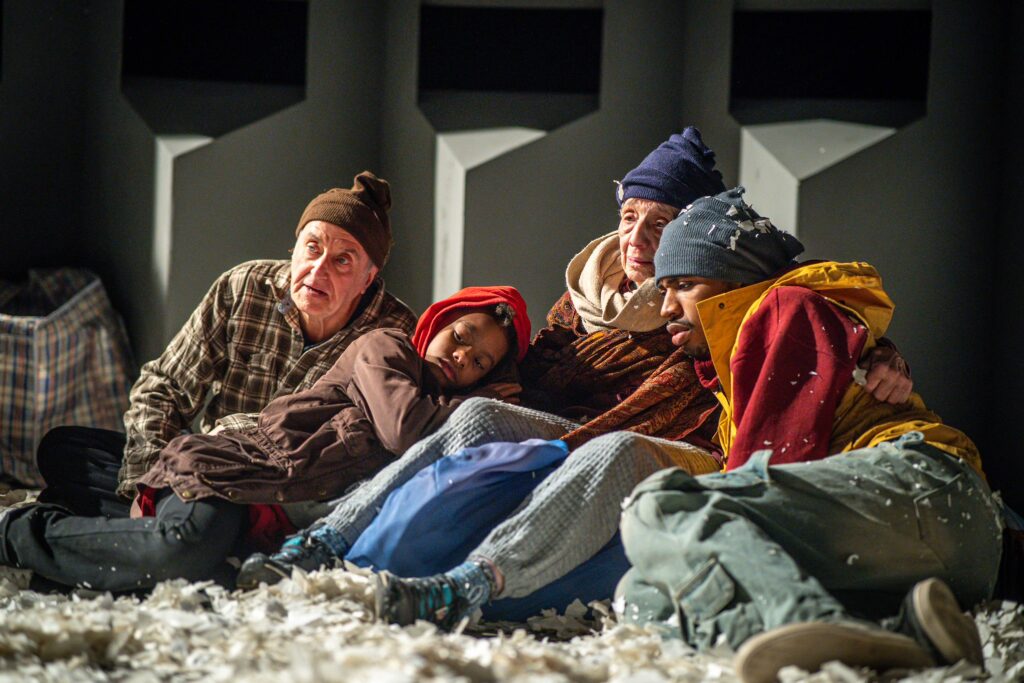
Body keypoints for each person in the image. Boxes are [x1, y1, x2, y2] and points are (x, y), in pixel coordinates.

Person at [237, 130, 914, 624]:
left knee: (607, 449)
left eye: (661, 226)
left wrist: (879, 356)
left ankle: (473, 581)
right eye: (629, 220)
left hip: (664, 452)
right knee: (474, 419)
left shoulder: (719, 291)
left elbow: (806, 318)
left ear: (697, 237)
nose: (637, 242)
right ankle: (325, 539)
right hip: (573, 431)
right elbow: (522, 380)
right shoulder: (582, 299)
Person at [616, 187, 1002, 683]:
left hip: (930, 492)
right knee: (642, 592)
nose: (666, 307)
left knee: (659, 506)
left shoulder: (786, 310)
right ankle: (902, 637)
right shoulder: (735, 371)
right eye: (664, 288)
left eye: (684, 284)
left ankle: (805, 623)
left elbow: (777, 467)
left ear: (735, 285)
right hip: (908, 560)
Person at [0, 173, 415, 581]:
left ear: (369, 278)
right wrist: (145, 485)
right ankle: (183, 539)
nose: (318, 269)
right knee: (63, 449)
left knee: (185, 546)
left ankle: (18, 534)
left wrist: (201, 461)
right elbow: (163, 387)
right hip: (199, 465)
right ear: (294, 249)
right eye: (312, 247)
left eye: (343, 260)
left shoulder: (391, 338)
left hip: (273, 493)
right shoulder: (244, 288)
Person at [0, 286, 529, 592]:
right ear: (440, 321)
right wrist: (478, 403)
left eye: (477, 361)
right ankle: (20, 532)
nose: (461, 356)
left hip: (266, 512)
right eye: (461, 336)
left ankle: (87, 490)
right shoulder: (388, 348)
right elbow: (403, 431)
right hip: (237, 472)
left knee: (208, 563)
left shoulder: (443, 408)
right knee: (183, 553)